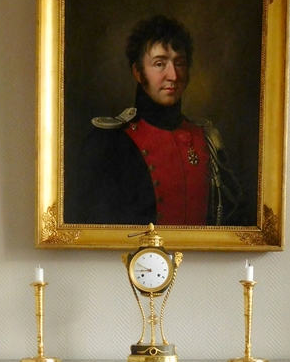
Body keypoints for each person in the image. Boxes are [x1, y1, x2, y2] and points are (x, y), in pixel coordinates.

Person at [67, 15, 243, 226]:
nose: (173, 76)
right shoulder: (108, 144)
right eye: (160, 64)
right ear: (138, 72)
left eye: (180, 64)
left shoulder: (208, 140)